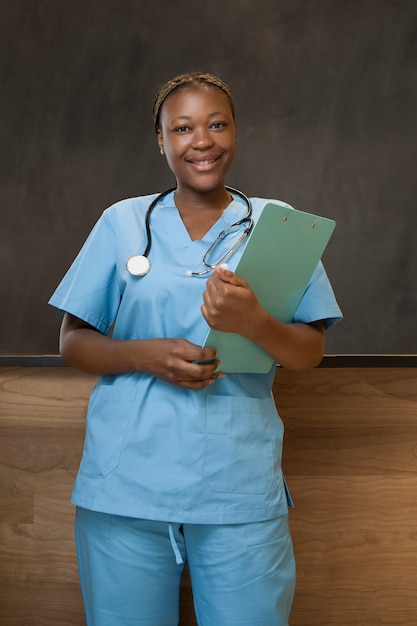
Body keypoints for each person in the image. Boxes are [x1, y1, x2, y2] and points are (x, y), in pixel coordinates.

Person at [49, 71, 342, 626]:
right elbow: (73, 341)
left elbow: (308, 352)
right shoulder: (122, 222)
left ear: (236, 132)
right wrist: (145, 355)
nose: (201, 141)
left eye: (216, 124)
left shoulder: (280, 226)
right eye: (182, 128)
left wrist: (254, 321)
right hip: (127, 486)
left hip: (238, 487)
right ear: (161, 140)